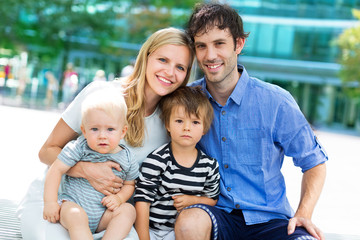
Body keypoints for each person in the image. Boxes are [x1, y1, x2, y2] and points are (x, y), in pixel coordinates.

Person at [16, 27, 194, 240]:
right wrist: (85, 170)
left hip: (108, 215)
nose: (170, 72)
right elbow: (46, 151)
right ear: (146, 57)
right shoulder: (101, 94)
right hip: (60, 204)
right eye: (163, 60)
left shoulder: (171, 122)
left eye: (180, 67)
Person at [174, 3, 328, 240]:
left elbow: (314, 162)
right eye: (201, 46)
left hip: (270, 220)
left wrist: (304, 213)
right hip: (216, 213)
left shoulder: (276, 101)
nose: (210, 55)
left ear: (238, 44)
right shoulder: (186, 101)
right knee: (189, 223)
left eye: (219, 44)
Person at [43, 88, 138, 239]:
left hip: (103, 215)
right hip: (74, 205)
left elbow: (129, 185)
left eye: (110, 129)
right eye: (94, 129)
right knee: (76, 216)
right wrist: (50, 203)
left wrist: (119, 198)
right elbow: (55, 170)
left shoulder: (128, 157)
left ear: (123, 131)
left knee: (128, 210)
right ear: (84, 131)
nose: (102, 136)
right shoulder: (79, 147)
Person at [134, 86, 220, 240]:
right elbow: (142, 202)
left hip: (180, 232)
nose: (187, 128)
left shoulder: (209, 166)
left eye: (195, 122)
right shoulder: (157, 160)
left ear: (204, 128)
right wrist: (144, 237)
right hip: (150, 230)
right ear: (168, 125)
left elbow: (212, 198)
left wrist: (194, 200)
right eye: (179, 121)